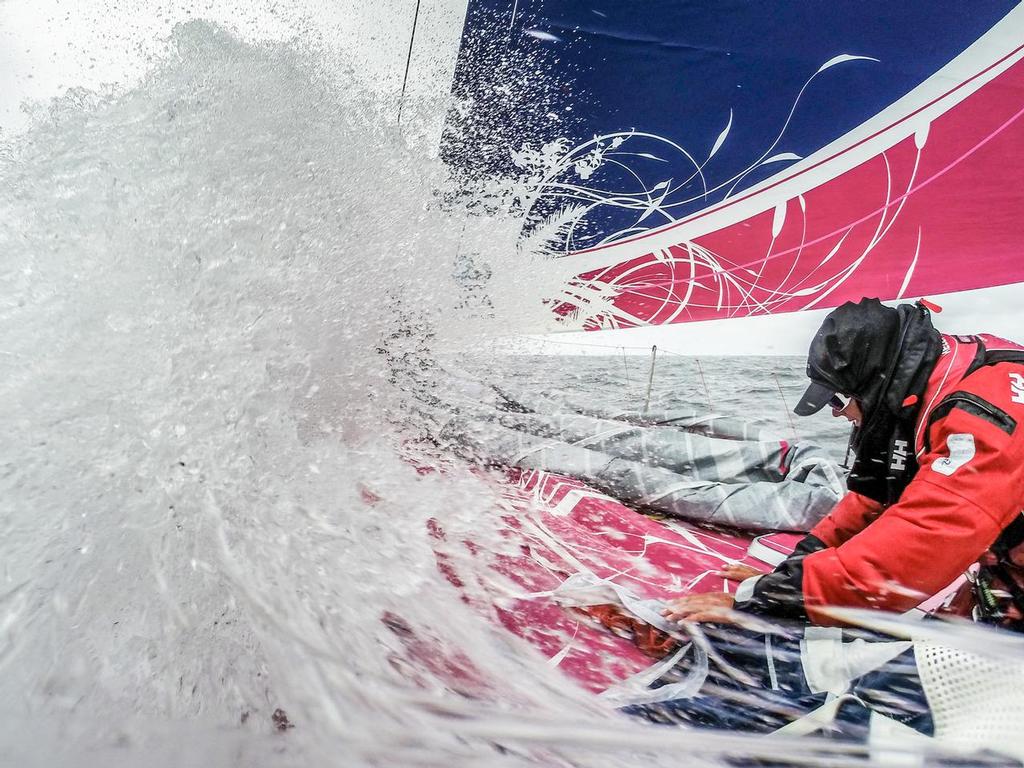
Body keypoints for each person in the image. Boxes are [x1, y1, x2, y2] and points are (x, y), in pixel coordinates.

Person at [623, 298, 1024, 753]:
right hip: (998, 590)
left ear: (874, 382)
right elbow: (870, 503)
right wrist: (788, 577)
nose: (837, 414)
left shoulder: (983, 411)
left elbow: (927, 539)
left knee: (867, 723)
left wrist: (760, 602)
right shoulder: (935, 382)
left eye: (840, 399)